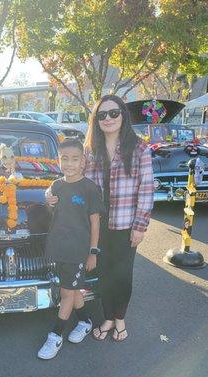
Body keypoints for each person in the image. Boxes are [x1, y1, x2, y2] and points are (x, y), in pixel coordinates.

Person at [49, 94, 154, 342]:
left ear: (123, 116)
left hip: (126, 224)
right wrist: (49, 193)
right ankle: (107, 317)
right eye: (102, 114)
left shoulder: (139, 148)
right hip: (95, 226)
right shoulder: (89, 151)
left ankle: (120, 318)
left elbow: (147, 190)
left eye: (113, 113)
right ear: (96, 120)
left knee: (123, 273)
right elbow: (69, 177)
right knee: (104, 274)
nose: (108, 118)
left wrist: (140, 226)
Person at [38, 138, 104, 360]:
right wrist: (48, 200)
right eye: (64, 159)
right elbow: (51, 209)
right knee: (73, 290)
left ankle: (55, 336)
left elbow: (95, 222)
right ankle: (85, 322)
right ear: (58, 160)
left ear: (83, 161)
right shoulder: (56, 185)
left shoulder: (90, 188)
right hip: (59, 248)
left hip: (79, 250)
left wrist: (93, 251)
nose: (69, 164)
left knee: (67, 293)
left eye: (75, 159)